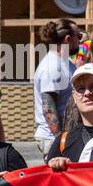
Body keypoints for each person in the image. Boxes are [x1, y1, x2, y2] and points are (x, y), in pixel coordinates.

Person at [46, 63, 93, 163]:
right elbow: (48, 177)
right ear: (74, 96)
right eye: (81, 88)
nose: (87, 93)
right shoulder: (63, 142)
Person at [33, 18, 80, 152]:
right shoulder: (52, 66)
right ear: (67, 39)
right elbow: (49, 109)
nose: (80, 41)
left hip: (66, 136)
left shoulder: (66, 62)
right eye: (78, 36)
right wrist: (60, 142)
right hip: (54, 139)